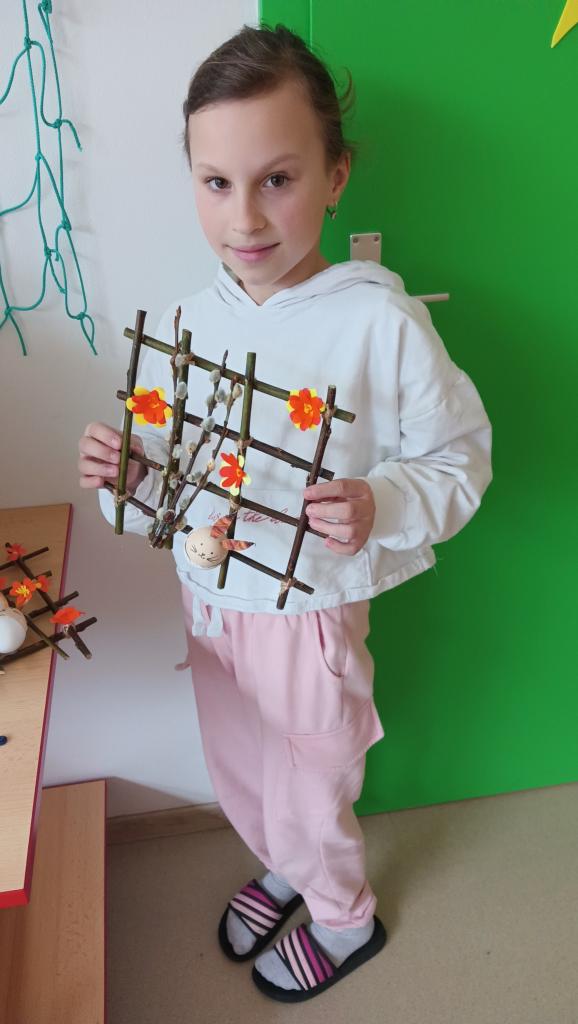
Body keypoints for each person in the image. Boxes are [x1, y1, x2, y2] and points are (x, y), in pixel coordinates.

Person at [78, 23, 493, 1004]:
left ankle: (342, 914)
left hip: (306, 618)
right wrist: (126, 475)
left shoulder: (379, 322)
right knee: (245, 770)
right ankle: (285, 864)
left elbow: (460, 457)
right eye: (216, 183)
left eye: (277, 179)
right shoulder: (184, 324)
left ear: (335, 176)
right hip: (208, 603)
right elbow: (164, 478)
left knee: (312, 780)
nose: (245, 218)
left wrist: (382, 498)